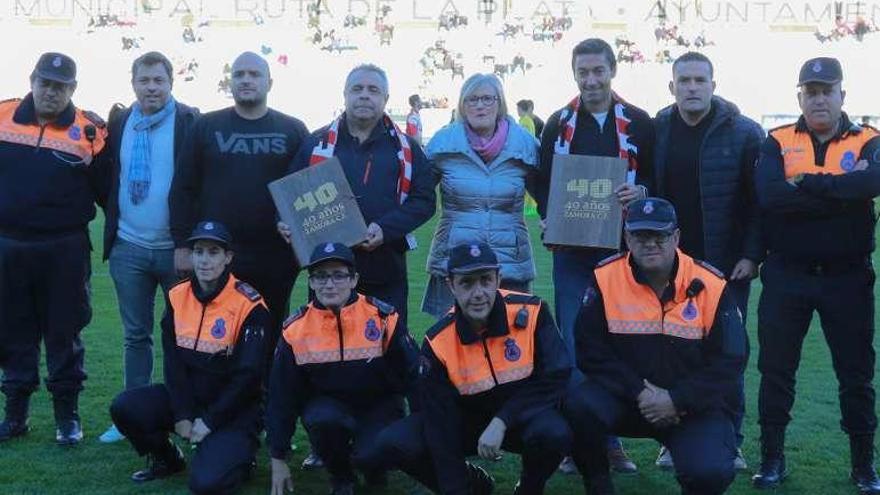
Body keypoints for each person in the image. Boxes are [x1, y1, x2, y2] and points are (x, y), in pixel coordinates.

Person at [752, 57, 880, 494]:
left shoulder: (870, 139)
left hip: (848, 278)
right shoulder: (776, 141)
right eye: (811, 90)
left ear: (843, 94)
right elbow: (769, 197)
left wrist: (804, 183)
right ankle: (772, 460)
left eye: (827, 90)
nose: (819, 98)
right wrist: (839, 192)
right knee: (775, 370)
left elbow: (870, 186)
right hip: (787, 274)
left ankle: (863, 466)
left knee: (856, 373)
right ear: (800, 97)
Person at [564, 197, 747, 495]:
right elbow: (590, 350)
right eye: (640, 235)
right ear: (626, 238)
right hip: (628, 399)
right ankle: (598, 485)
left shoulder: (712, 284)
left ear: (676, 237)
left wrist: (677, 399)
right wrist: (640, 391)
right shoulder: (604, 277)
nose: (650, 244)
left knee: (710, 471)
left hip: (690, 407)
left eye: (659, 235)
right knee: (579, 405)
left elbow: (731, 361)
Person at [536, 37, 654, 474]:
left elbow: (657, 179)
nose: (590, 79)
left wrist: (642, 191)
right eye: (582, 72)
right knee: (572, 342)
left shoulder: (639, 122)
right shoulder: (558, 122)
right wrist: (549, 214)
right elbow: (541, 182)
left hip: (626, 254)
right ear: (574, 74)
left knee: (621, 344)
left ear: (612, 71)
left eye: (597, 71)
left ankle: (612, 438)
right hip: (572, 254)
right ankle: (576, 439)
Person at [376, 242, 572, 495]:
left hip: (522, 419)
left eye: (485, 280)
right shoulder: (437, 342)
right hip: (467, 424)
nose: (478, 292)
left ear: (498, 279)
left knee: (554, 433)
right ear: (451, 285)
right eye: (467, 283)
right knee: (395, 443)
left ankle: (529, 487)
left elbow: (557, 375)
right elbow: (440, 425)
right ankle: (474, 485)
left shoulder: (533, 312)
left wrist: (502, 420)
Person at [651, 51, 764, 471]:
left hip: (727, 267)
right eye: (685, 80)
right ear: (672, 86)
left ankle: (730, 440)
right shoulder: (659, 128)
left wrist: (751, 255)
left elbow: (758, 205)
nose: (692, 87)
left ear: (714, 85)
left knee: (728, 354)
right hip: (670, 268)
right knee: (672, 353)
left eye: (700, 80)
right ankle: (671, 439)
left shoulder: (744, 132)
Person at [170, 51, 309, 369]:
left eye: (254, 74)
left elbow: (306, 190)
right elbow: (183, 188)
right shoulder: (207, 126)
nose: (246, 80)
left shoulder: (292, 129)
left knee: (271, 333)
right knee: (217, 334)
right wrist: (181, 245)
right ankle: (220, 409)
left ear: (269, 82)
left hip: (275, 255)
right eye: (239, 74)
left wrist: (305, 244)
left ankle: (265, 408)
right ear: (229, 82)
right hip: (217, 254)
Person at [110, 221, 268, 494]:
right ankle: (167, 459)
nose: (205, 260)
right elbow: (174, 364)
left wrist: (210, 421)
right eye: (199, 251)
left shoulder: (250, 305)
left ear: (228, 257)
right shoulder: (176, 296)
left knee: (206, 484)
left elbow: (249, 377)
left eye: (213, 252)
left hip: (234, 410)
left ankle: (243, 459)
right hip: (191, 399)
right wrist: (183, 414)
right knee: (125, 407)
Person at [0, 52, 107, 445]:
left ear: (73, 89)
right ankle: (15, 416)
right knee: (12, 332)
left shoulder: (91, 131)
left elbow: (107, 193)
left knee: (65, 333)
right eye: (45, 82)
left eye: (60, 86)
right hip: (8, 246)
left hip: (64, 248)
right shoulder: (2, 115)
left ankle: (67, 418)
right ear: (32, 80)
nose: (51, 91)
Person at [95, 51, 200, 444]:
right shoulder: (121, 122)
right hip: (129, 247)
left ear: (171, 82)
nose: (151, 87)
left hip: (176, 250)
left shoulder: (190, 121)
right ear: (133, 82)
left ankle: (187, 414)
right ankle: (131, 416)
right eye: (145, 80)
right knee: (135, 335)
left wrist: (188, 243)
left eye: (158, 80)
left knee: (186, 335)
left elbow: (197, 184)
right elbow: (105, 175)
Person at [282, 64, 436, 327]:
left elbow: (425, 201)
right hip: (328, 274)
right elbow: (289, 197)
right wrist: (283, 221)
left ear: (385, 99)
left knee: (386, 353)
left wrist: (385, 229)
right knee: (325, 351)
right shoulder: (316, 142)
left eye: (373, 90)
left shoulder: (406, 149)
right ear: (345, 94)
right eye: (357, 89)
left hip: (385, 270)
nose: (365, 95)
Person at [266, 242, 419, 495]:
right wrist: (277, 456)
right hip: (328, 409)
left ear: (354, 279)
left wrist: (422, 431)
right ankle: (341, 476)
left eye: (338, 275)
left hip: (378, 406)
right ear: (311, 282)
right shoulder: (295, 329)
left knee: (372, 454)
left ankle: (373, 466)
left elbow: (415, 376)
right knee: (323, 420)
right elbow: (281, 396)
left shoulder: (382, 318)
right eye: (321, 276)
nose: (329, 284)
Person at [421, 74, 539, 319]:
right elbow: (417, 196)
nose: (480, 105)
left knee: (511, 347)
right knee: (452, 346)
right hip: (455, 261)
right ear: (462, 105)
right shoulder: (443, 143)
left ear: (500, 102)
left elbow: (550, 194)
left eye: (487, 98)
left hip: (509, 263)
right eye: (472, 99)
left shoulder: (525, 145)